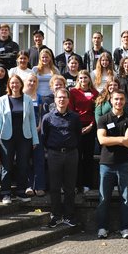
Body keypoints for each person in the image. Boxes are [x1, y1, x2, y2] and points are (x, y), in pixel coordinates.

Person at [96, 90, 128, 239]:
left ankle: (125, 228)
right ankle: (102, 228)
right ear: (111, 101)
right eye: (116, 99)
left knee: (125, 198)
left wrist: (112, 139)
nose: (119, 102)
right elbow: (102, 140)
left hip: (124, 164)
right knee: (104, 198)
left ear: (124, 101)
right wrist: (121, 139)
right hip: (106, 164)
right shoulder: (103, 119)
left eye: (121, 99)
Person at [0, 74, 39, 205]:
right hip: (6, 137)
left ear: (21, 84)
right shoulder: (2, 99)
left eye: (17, 83)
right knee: (6, 166)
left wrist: (35, 140)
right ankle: (6, 193)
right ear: (9, 85)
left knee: (23, 166)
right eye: (12, 83)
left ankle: (20, 192)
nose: (15, 85)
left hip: (24, 137)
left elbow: (31, 120)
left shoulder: (27, 99)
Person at [42, 88, 82, 228]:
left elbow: (78, 135)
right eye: (59, 97)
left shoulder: (75, 117)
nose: (62, 100)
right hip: (54, 154)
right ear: (55, 99)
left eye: (64, 97)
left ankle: (69, 216)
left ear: (68, 100)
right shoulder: (47, 117)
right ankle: (56, 216)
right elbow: (44, 136)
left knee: (70, 187)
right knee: (54, 186)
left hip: (71, 154)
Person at [69, 70, 99, 192]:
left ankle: (87, 184)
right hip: (77, 127)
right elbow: (71, 110)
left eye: (85, 78)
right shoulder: (73, 92)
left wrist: (91, 125)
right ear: (78, 80)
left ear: (89, 79)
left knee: (88, 157)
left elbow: (96, 112)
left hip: (90, 127)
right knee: (76, 157)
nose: (83, 80)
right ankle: (77, 184)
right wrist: (78, 127)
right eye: (80, 78)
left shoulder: (95, 93)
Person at [24, 72, 48, 196]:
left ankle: (39, 186)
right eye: (30, 81)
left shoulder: (40, 98)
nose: (32, 83)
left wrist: (37, 129)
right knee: (25, 160)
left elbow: (42, 117)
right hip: (23, 133)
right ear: (25, 82)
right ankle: (28, 185)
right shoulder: (20, 97)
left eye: (34, 81)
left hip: (37, 133)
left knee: (39, 159)